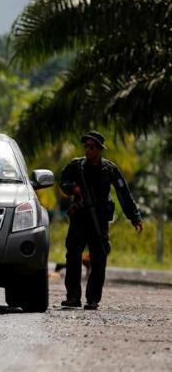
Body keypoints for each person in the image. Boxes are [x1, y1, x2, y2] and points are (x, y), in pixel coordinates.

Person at [59, 131, 143, 310]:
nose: (89, 151)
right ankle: (73, 297)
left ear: (100, 149)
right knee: (73, 256)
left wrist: (134, 217)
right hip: (80, 218)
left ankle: (93, 299)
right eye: (87, 147)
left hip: (99, 220)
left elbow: (123, 193)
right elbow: (62, 181)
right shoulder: (76, 166)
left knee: (99, 258)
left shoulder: (110, 169)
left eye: (92, 147)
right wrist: (73, 189)